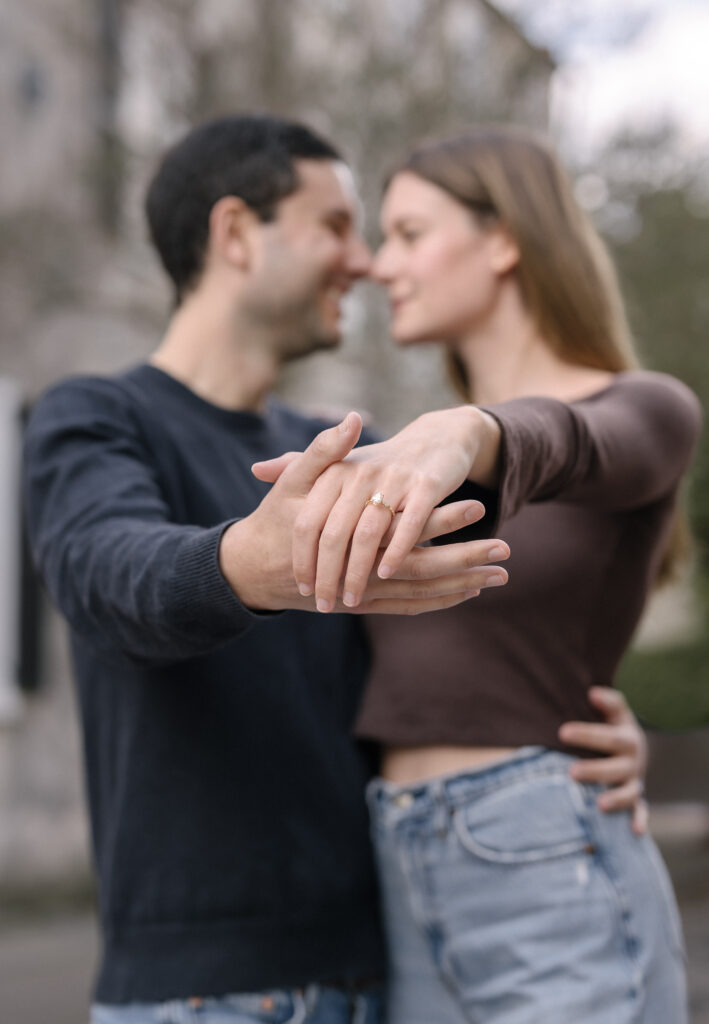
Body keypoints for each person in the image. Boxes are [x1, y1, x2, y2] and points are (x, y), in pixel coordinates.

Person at [24, 115, 649, 1024]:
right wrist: (249, 563)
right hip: (207, 994)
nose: (361, 263)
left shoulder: (342, 451)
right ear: (236, 233)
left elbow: (455, 649)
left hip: (388, 970)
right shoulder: (96, 416)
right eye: (335, 227)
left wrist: (577, 720)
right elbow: (105, 573)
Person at [256, 124, 702, 1023]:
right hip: (394, 858)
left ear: (503, 239)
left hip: (544, 852)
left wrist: (472, 431)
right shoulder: (402, 456)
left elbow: (570, 441)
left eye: (411, 235)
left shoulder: (642, 409)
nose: (382, 266)